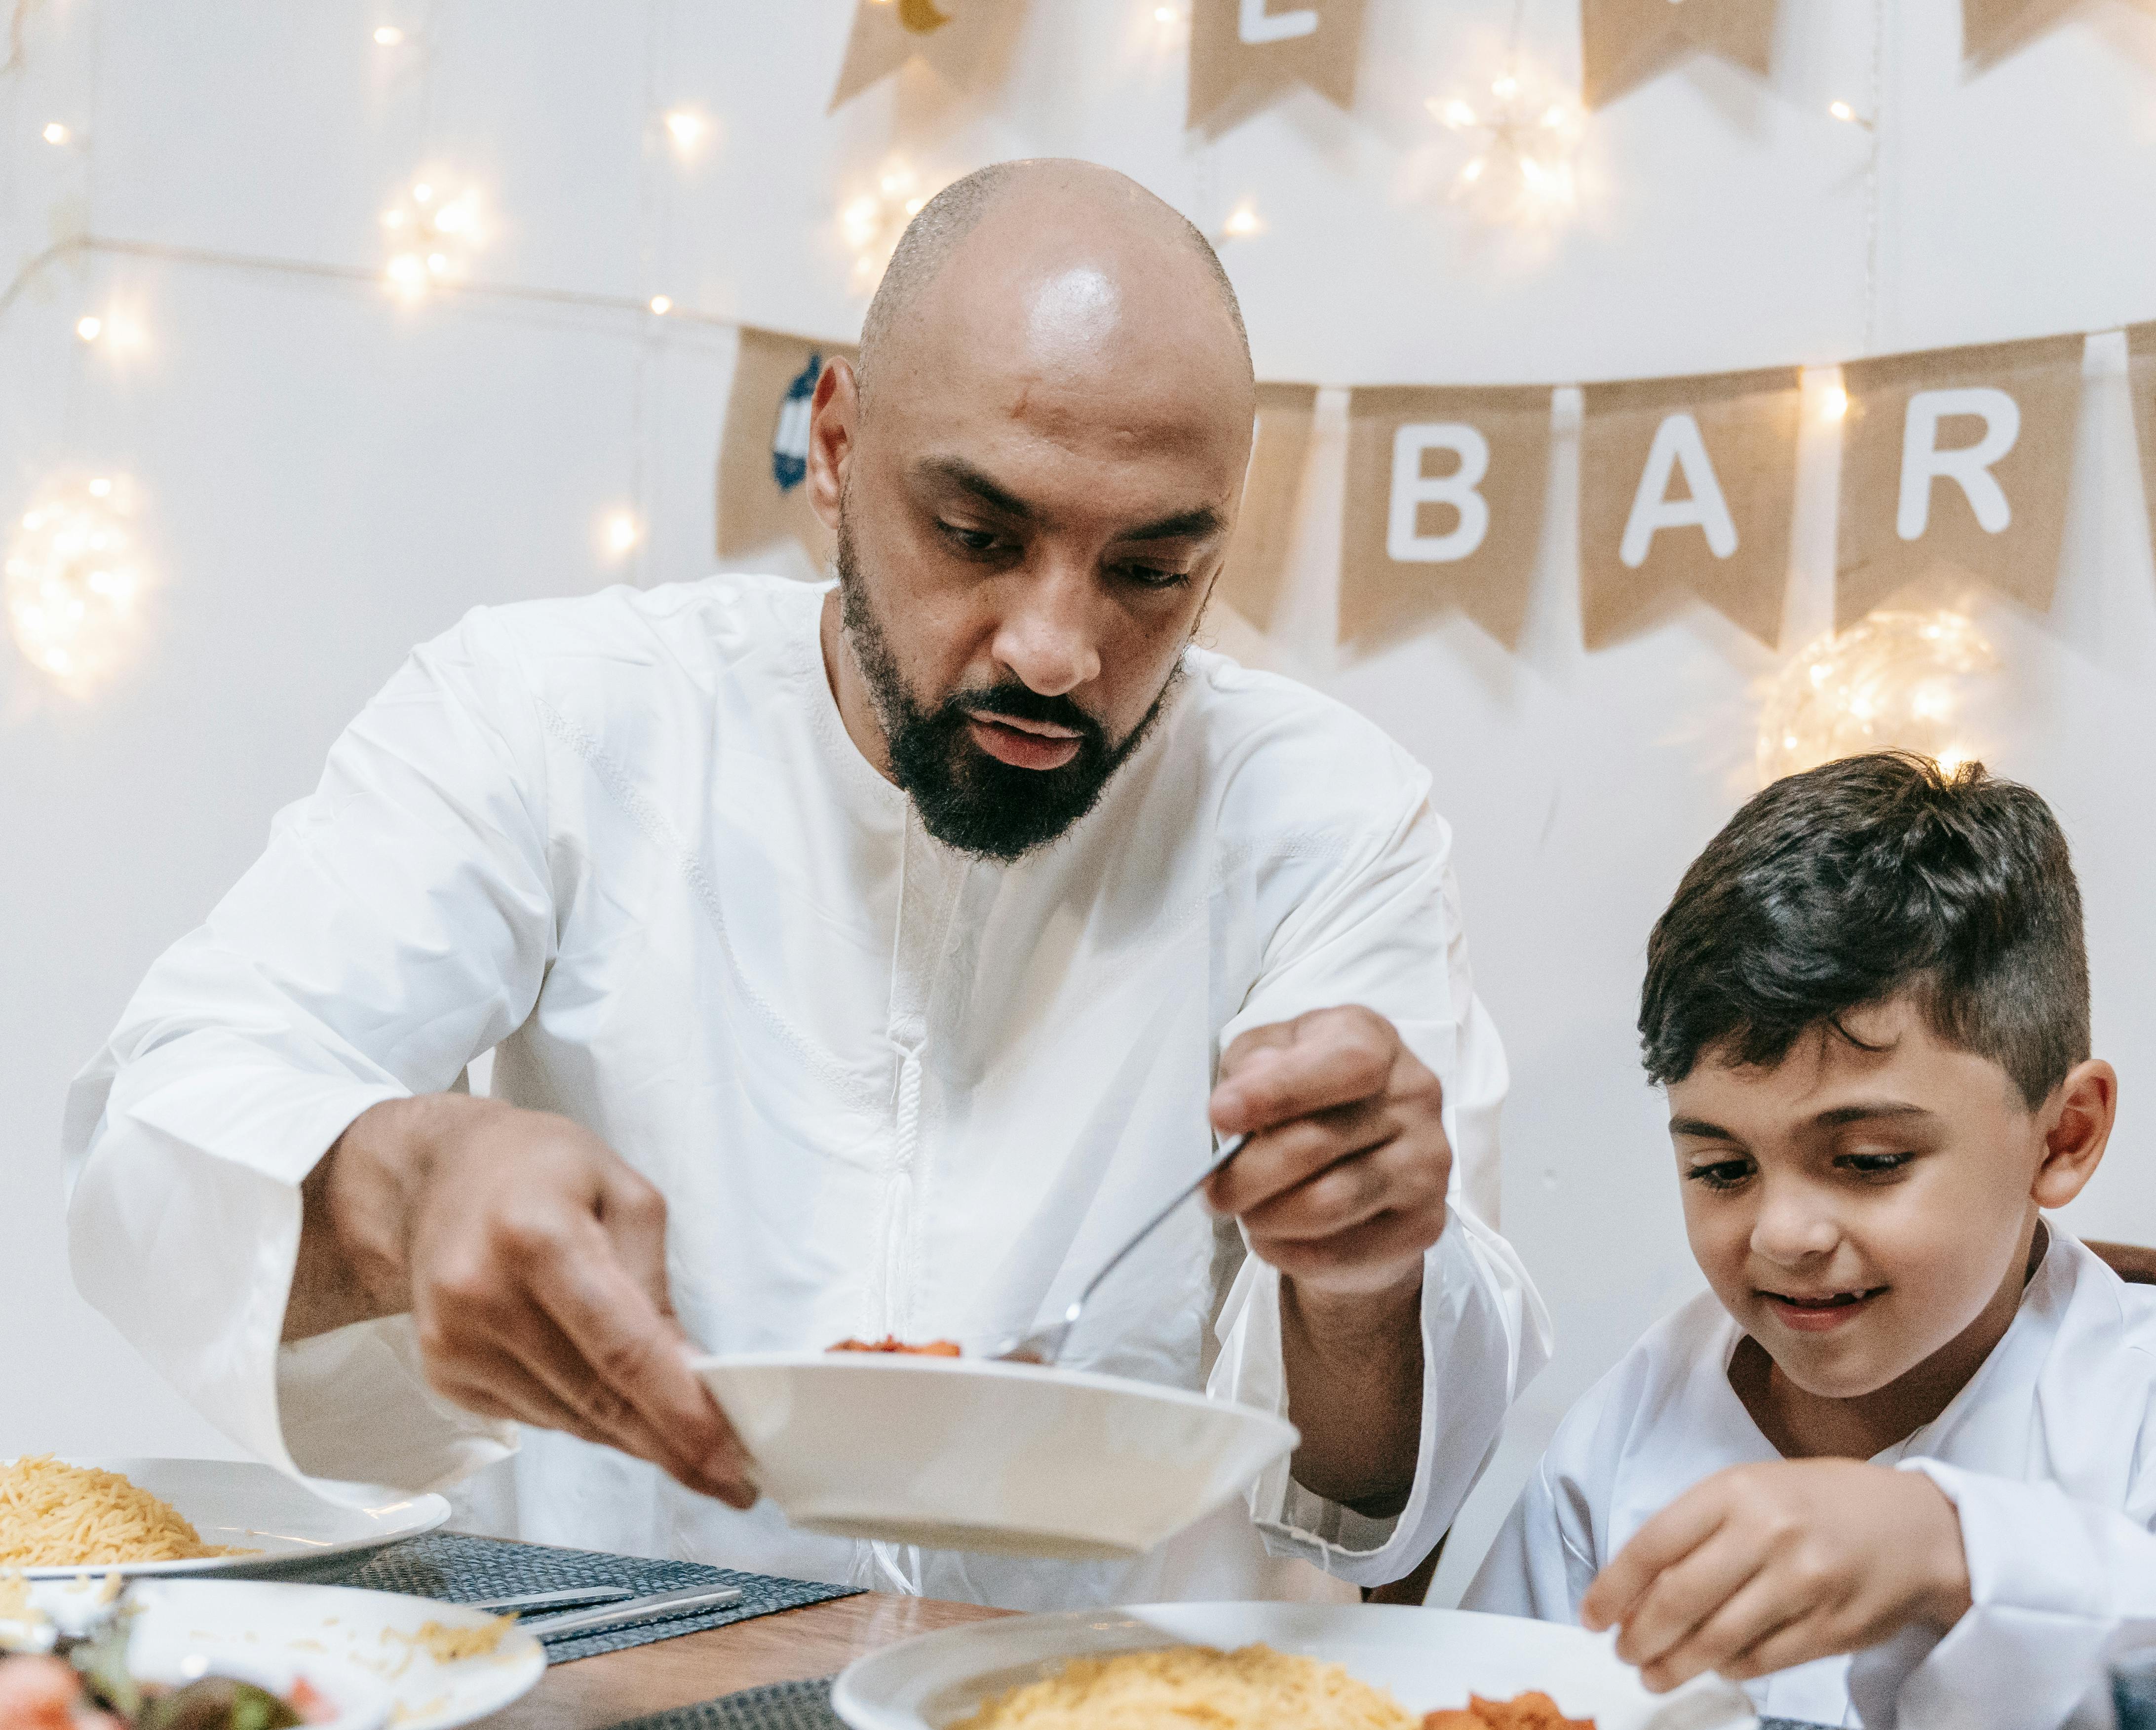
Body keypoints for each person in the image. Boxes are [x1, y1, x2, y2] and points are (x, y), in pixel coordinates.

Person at [63, 159, 1549, 1609]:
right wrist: (408, 1183)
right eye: (978, 534)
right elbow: (172, 1106)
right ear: (835, 444)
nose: (1057, 648)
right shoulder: (551, 713)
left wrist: (1361, 1280)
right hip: (610, 1718)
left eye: (1152, 572)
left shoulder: (1325, 815)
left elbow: (1370, 1513)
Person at [1463, 753, 2156, 1730]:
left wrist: (1946, 1546)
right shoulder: (1634, 1427)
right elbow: (1490, 1713)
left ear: (2063, 1134)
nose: (1785, 1233)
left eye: (1867, 1161)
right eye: (1722, 1167)